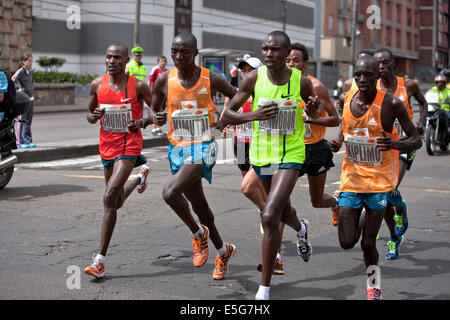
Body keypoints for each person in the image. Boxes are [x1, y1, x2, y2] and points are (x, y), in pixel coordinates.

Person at [216, 30, 322, 300]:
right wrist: (254, 114)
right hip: (262, 155)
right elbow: (226, 115)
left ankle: (263, 289)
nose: (268, 54)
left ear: (287, 55)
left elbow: (315, 110)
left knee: (269, 215)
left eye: (275, 49)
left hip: (292, 154)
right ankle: (302, 229)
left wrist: (312, 110)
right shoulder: (254, 78)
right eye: (265, 49)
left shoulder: (301, 81)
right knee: (284, 211)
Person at [329, 55, 422, 300]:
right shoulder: (348, 97)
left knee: (368, 243)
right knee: (347, 242)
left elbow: (416, 140)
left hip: (379, 182)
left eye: (368, 75)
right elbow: (346, 124)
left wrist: (393, 143)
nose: (362, 79)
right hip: (352, 179)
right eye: (358, 74)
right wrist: (338, 140)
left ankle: (373, 286)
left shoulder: (391, 103)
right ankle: (358, 211)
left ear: (377, 76)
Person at [147, 32, 237, 280]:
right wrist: (157, 117)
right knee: (200, 206)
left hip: (204, 146)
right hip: (177, 148)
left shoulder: (210, 78)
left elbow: (238, 93)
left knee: (169, 192)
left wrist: (228, 116)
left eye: (184, 52)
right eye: (174, 51)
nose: (177, 56)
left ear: (195, 54)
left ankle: (198, 234)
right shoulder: (164, 79)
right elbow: (155, 108)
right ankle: (223, 250)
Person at [84, 43, 166, 279]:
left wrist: (143, 123)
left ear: (126, 60)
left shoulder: (137, 85)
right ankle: (140, 177)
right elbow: (89, 116)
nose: (111, 61)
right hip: (106, 147)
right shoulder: (97, 85)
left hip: (129, 146)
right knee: (116, 202)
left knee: (108, 197)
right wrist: (95, 115)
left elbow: (159, 113)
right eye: (108, 56)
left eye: (117, 57)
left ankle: (99, 261)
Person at [373, 48, 428, 260]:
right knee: (384, 193)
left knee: (389, 187)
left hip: (404, 143)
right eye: (377, 63)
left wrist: (420, 122)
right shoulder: (372, 87)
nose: (381, 67)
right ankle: (399, 208)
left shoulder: (409, 85)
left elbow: (423, 103)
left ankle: (394, 239)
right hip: (383, 146)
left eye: (385, 62)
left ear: (393, 63)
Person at [221, 56, 268, 243]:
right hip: (240, 142)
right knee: (250, 184)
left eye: (249, 70)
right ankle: (263, 208)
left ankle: (267, 211)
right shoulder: (235, 92)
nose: (245, 73)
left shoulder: (262, 92)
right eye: (243, 70)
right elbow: (227, 111)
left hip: (259, 144)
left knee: (257, 183)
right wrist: (225, 125)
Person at [12, 54, 35, 148]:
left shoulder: (30, 72)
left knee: (28, 121)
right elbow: (11, 81)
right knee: (22, 120)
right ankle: (19, 141)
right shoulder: (20, 71)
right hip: (23, 100)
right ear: (23, 62)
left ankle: (27, 140)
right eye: (29, 61)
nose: (31, 63)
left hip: (30, 99)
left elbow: (32, 84)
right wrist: (17, 90)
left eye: (31, 61)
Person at [148, 56, 168, 136]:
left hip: (163, 95)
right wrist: (149, 93)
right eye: (161, 61)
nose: (163, 63)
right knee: (155, 110)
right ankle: (154, 129)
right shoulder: (155, 69)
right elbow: (149, 82)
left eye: (164, 61)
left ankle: (158, 128)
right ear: (158, 62)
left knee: (161, 111)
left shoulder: (167, 71)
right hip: (155, 94)